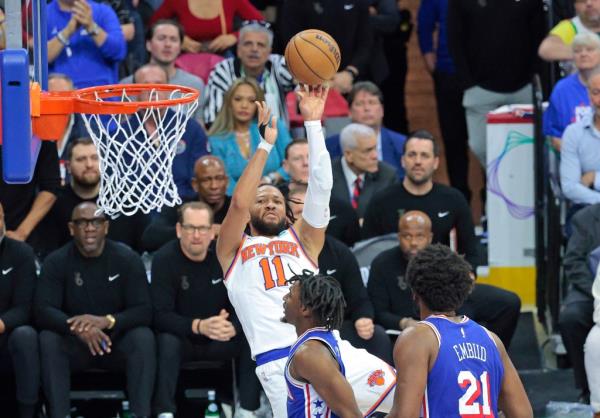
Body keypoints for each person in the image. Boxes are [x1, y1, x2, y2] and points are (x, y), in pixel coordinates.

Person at [216, 86, 332, 416]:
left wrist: (313, 123)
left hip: (325, 348)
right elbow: (238, 201)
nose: (269, 202)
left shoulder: (305, 241)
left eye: (276, 200)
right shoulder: (233, 250)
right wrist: (266, 144)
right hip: (278, 359)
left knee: (399, 393)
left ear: (287, 211)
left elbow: (322, 187)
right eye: (261, 199)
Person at [35, 202, 156, 418]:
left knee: (143, 337)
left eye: (96, 222)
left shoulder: (127, 259)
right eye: (82, 222)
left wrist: (107, 321)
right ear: (71, 228)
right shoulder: (56, 261)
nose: (89, 228)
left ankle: (142, 414)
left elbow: (144, 310)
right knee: (48, 339)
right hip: (74, 344)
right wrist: (77, 328)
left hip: (115, 343)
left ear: (106, 227)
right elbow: (43, 310)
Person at [387, 244, 533, 418]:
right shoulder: (492, 339)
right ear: (464, 291)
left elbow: (405, 416)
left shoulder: (417, 338)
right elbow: (523, 414)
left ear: (414, 292)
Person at [151, 202, 261, 417]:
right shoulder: (164, 259)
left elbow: (248, 302)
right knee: (165, 340)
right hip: (183, 338)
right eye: (190, 228)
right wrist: (198, 326)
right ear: (179, 230)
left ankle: (247, 409)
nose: (196, 235)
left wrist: (234, 328)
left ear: (213, 232)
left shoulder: (227, 257)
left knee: (252, 335)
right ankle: (165, 411)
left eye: (202, 229)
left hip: (220, 336)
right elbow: (159, 314)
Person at [368, 211, 521, 347]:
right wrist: (405, 323)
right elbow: (379, 312)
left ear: (430, 237)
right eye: (407, 236)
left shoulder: (442, 257)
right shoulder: (382, 263)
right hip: (408, 325)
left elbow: (460, 292)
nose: (413, 243)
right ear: (398, 236)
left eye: (419, 236)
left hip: (449, 312)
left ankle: (489, 355)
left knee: (509, 302)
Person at [287, 186, 392, 363]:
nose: (308, 218)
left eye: (313, 210)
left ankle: (384, 388)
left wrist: (363, 317)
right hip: (290, 331)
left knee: (377, 337)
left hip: (334, 328)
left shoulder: (340, 252)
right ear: (286, 217)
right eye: (300, 212)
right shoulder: (275, 253)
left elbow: (358, 298)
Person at [361, 130, 479, 268]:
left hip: (440, 281)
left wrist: (466, 277)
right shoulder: (381, 201)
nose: (418, 161)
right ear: (403, 160)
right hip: (392, 282)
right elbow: (367, 252)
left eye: (424, 156)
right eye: (412, 155)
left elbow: (470, 253)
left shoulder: (454, 200)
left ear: (435, 162)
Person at [447, 0, 544, 168]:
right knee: (480, 147)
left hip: (523, 89)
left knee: (528, 150)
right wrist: (467, 83)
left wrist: (533, 77)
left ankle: (516, 190)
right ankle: (497, 187)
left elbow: (539, 35)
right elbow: (455, 38)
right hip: (479, 89)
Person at [282, 271, 388, 418]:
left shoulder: (309, 353)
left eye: (290, 295)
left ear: (305, 309)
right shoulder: (323, 339)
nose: (284, 298)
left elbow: (351, 414)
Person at [42, 137, 151, 254]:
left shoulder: (126, 199)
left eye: (95, 158)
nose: (89, 165)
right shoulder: (55, 203)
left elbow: (144, 248)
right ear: (68, 166)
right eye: (81, 159)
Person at [417, 0, 470, 200]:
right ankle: (461, 200)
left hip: (483, 77)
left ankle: (489, 206)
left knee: (488, 141)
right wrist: (436, 68)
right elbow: (424, 27)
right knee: (454, 141)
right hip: (449, 74)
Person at [132, 63, 209, 201]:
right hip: (136, 209)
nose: (153, 90)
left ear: (169, 89)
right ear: (135, 92)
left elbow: (201, 177)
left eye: (159, 84)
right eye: (146, 85)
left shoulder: (191, 129)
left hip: (183, 206)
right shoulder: (121, 134)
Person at [208, 78, 291, 194]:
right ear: (229, 103)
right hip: (236, 202)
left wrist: (270, 179)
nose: (244, 105)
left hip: (278, 194)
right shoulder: (216, 139)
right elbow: (224, 181)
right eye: (238, 99)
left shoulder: (273, 126)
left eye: (251, 101)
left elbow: (292, 162)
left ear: (259, 104)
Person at [204, 21, 295, 126]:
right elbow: (213, 120)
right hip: (233, 138)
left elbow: (305, 84)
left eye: (260, 45)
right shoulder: (222, 71)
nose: (254, 49)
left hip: (278, 138)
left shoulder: (278, 64)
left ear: (269, 51)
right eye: (248, 44)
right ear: (238, 49)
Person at [279, 0, 374, 94]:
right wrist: (315, 79)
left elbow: (365, 43)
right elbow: (291, 42)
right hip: (307, 77)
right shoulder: (294, 3)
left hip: (349, 78)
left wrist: (349, 73)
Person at [0, 202, 41, 418]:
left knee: (26, 335)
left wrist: (1, 323)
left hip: (6, 337)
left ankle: (29, 413)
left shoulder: (21, 253)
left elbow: (26, 308)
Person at [120, 19, 205, 121]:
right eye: (161, 38)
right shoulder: (127, 85)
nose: (167, 44)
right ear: (148, 45)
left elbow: (200, 127)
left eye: (173, 39)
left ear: (180, 47)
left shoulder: (195, 84)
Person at [142, 155, 231, 251]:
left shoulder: (237, 208)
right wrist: (190, 231)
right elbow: (149, 239)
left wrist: (227, 231)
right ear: (195, 184)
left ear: (227, 182)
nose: (214, 186)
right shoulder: (181, 207)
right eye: (206, 180)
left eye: (219, 178)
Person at [559, 203, 600, 404]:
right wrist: (597, 291)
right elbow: (573, 262)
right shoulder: (585, 218)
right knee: (571, 318)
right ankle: (586, 387)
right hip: (591, 287)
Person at [325, 82, 407, 180]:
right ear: (350, 112)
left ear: (382, 110)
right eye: (359, 104)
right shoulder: (330, 146)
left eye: (372, 102)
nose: (367, 108)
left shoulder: (402, 144)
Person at [46, 0, 127, 87]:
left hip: (101, 92)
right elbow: (41, 59)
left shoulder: (103, 12)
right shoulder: (44, 15)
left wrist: (91, 26)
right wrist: (68, 31)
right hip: (62, 92)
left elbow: (119, 52)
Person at [544, 33, 600, 151]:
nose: (583, 54)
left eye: (589, 50)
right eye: (577, 51)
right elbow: (555, 137)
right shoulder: (562, 89)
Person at [331, 123, 397, 219]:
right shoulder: (326, 175)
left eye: (375, 148)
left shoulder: (387, 175)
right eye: (368, 150)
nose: (375, 156)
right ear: (349, 155)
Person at [149, 0, 263, 55]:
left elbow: (260, 24)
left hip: (221, 57)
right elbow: (154, 25)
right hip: (185, 57)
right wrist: (178, 38)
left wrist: (234, 37)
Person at [561, 67, 600, 206]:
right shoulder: (573, 133)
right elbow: (570, 187)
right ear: (589, 96)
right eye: (596, 93)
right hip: (588, 212)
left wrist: (594, 178)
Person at [47, 73, 90, 184]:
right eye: (53, 96)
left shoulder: (92, 132)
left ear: (75, 96)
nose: (60, 101)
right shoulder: (29, 133)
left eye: (65, 95)